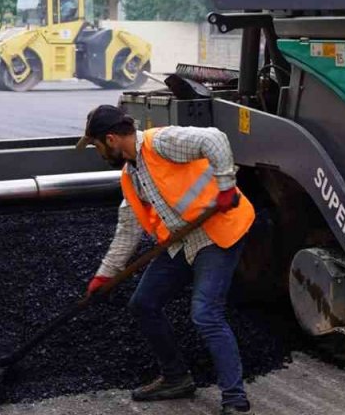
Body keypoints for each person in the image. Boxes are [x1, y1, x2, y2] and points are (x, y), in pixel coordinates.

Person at [78, 104, 256, 414]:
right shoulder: (131, 175)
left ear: (110, 139)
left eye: (95, 145)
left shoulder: (161, 142)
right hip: (181, 241)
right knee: (143, 303)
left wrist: (227, 186)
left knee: (205, 313)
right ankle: (176, 378)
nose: (97, 151)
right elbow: (127, 231)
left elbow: (214, 138)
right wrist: (104, 275)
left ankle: (234, 398)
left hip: (218, 232)